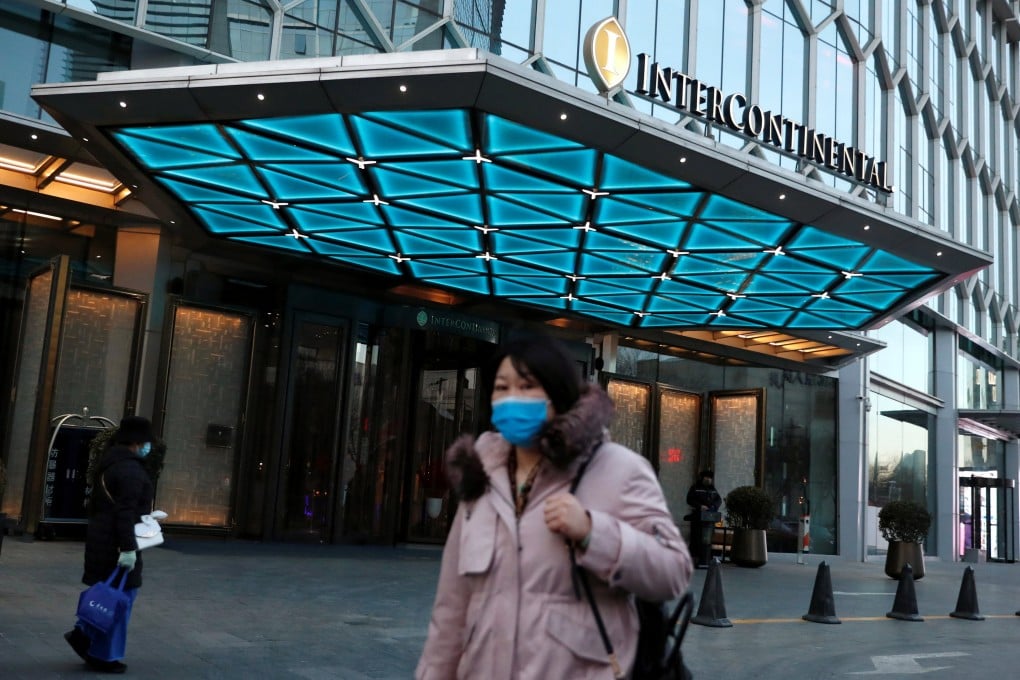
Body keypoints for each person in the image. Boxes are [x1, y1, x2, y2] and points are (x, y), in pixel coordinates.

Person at [416, 332, 692, 679]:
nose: (512, 399)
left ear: (559, 393)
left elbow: (673, 572)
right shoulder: (481, 474)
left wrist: (597, 534)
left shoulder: (619, 469)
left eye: (527, 386)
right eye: (502, 388)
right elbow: (452, 606)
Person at [64, 415, 155, 674]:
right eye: (148, 442)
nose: (150, 447)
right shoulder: (131, 470)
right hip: (117, 543)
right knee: (120, 600)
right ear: (138, 442)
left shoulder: (111, 463)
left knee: (107, 594)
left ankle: (84, 635)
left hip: (102, 540)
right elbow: (125, 513)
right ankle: (104, 655)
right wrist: (128, 549)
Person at [686, 470, 722, 568]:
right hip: (698, 518)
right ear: (702, 478)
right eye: (706, 477)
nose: (708, 479)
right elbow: (689, 499)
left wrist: (714, 507)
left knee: (708, 540)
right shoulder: (695, 488)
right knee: (696, 539)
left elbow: (718, 500)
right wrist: (700, 506)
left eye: (710, 478)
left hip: (709, 518)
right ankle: (695, 559)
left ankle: (706, 558)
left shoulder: (712, 489)